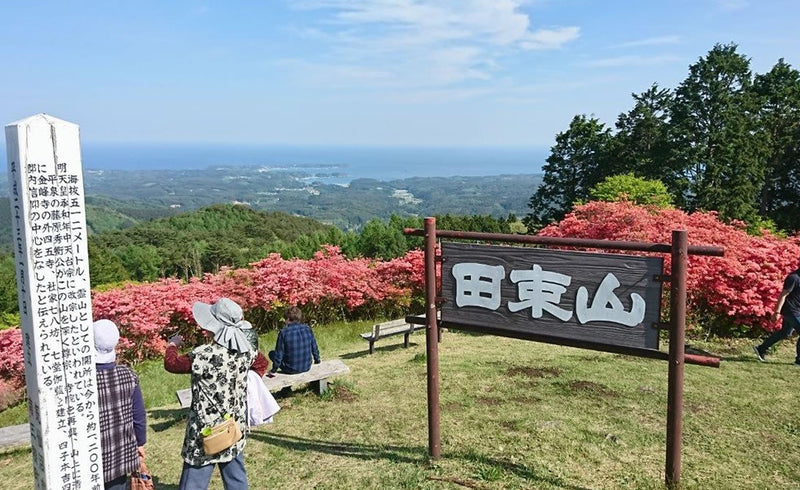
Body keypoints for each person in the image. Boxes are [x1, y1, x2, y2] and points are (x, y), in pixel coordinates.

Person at [164, 298, 264, 490]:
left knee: (194, 479)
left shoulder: (204, 355)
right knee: (236, 478)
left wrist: (172, 345)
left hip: (206, 430)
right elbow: (262, 363)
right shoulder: (246, 351)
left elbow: (172, 364)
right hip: (234, 425)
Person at [93, 319, 147, 490]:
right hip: (121, 453)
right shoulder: (128, 374)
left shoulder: (83, 382)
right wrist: (140, 443)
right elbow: (138, 415)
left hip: (93, 457)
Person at [754, 257, 800, 365]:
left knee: (785, 333)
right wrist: (777, 312)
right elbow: (783, 295)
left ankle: (761, 348)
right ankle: (799, 360)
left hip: (796, 310)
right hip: (790, 310)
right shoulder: (794, 278)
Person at [268, 306, 320, 376]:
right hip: (307, 366)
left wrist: (273, 370)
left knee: (272, 353)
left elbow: (278, 354)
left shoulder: (283, 333)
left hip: (290, 369)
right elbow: (314, 347)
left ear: (288, 319)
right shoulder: (307, 328)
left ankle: (287, 386)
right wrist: (317, 360)